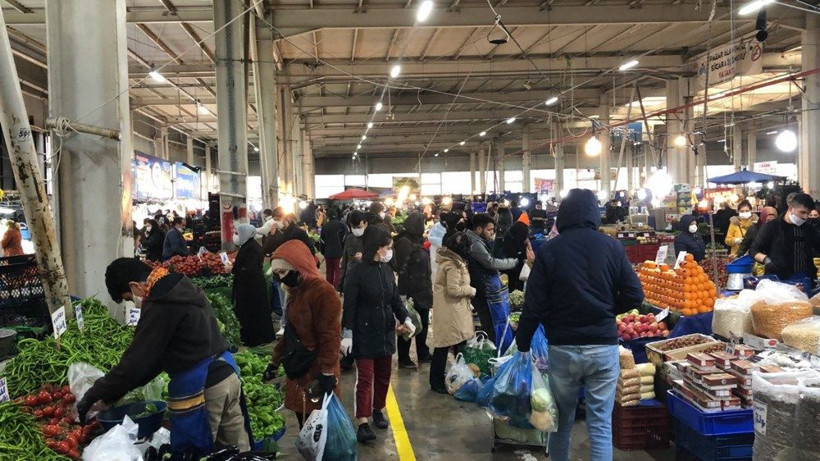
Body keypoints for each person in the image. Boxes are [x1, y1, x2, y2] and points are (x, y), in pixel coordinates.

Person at [515, 189, 644, 461]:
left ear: (562, 215)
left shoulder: (550, 250)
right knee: (600, 424)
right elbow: (635, 295)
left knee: (560, 421)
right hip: (603, 348)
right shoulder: (611, 247)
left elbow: (533, 304)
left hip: (564, 348)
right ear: (594, 214)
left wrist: (523, 344)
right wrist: (607, 309)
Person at [77, 258, 251, 456]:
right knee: (237, 452)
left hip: (203, 388)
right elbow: (153, 361)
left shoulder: (160, 303)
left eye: (128, 298)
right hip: (227, 375)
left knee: (195, 454)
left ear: (134, 286)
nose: (134, 304)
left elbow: (135, 363)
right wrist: (111, 395)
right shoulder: (180, 286)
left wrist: (93, 394)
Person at [342, 225, 414, 443]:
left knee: (383, 376)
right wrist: (347, 333)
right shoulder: (357, 273)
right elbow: (350, 306)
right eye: (387, 247)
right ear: (376, 247)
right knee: (365, 379)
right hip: (364, 333)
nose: (390, 250)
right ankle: (363, 421)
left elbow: (393, 299)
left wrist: (406, 317)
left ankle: (378, 409)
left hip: (385, 331)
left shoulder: (385, 270)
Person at [267, 240, 341, 428]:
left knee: (319, 423)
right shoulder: (295, 291)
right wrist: (274, 361)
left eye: (283, 272)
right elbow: (290, 332)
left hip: (317, 367)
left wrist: (327, 371)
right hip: (299, 367)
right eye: (277, 274)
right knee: (304, 420)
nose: (281, 278)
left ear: (298, 268)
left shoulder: (323, 292)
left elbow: (330, 335)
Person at [429, 232, 476, 394]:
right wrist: (471, 290)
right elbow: (454, 289)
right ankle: (437, 382)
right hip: (451, 311)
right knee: (444, 345)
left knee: (456, 343)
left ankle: (458, 376)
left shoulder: (452, 261)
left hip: (452, 309)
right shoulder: (453, 265)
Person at [465, 213, 519, 348]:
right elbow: (490, 263)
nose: (492, 232)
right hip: (483, 289)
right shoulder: (475, 243)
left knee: (490, 323)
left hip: (485, 287)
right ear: (478, 229)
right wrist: (512, 262)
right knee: (490, 325)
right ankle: (492, 355)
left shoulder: (477, 240)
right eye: (489, 229)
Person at [392, 212, 433, 369]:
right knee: (408, 325)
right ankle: (403, 358)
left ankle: (423, 353)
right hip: (411, 291)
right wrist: (402, 295)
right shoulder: (404, 242)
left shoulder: (416, 240)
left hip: (422, 289)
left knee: (422, 323)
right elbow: (402, 270)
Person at [750, 193, 820, 280]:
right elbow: (753, 250)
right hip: (777, 281)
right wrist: (766, 260)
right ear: (791, 208)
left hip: (804, 279)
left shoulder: (808, 229)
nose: (805, 217)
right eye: (802, 212)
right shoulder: (771, 227)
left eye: (808, 213)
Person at [231, 224, 275, 347]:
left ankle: (254, 339)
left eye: (238, 233)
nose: (236, 236)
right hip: (251, 286)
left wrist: (235, 269)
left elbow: (250, 269)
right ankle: (253, 338)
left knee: (253, 314)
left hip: (251, 288)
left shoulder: (251, 248)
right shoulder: (249, 246)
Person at [339, 210, 367, 293]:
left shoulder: (372, 238)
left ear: (366, 224)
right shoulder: (349, 238)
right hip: (351, 279)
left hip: (366, 280)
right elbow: (344, 262)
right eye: (353, 227)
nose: (356, 230)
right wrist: (341, 285)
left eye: (359, 227)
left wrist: (364, 257)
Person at [501, 221, 534, 293]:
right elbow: (520, 251)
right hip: (514, 266)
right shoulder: (517, 238)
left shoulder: (510, 236)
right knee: (515, 283)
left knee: (511, 284)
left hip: (509, 266)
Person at [320, 210, 347, 289]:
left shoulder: (325, 226)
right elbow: (344, 240)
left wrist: (323, 252)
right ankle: (336, 289)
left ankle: (329, 288)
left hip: (328, 252)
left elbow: (322, 241)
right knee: (338, 271)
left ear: (328, 216)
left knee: (329, 272)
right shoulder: (342, 226)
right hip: (339, 253)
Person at [427, 212, 449, 281]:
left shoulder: (448, 226)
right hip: (435, 250)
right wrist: (442, 242)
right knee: (435, 268)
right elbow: (430, 237)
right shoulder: (437, 226)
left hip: (445, 251)